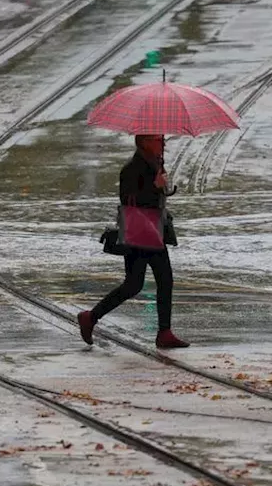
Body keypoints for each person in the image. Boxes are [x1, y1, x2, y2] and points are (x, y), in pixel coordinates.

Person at [78, 134, 190, 350]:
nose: (163, 143)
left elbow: (155, 197)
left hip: (151, 232)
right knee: (153, 281)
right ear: (144, 142)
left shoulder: (154, 164)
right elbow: (129, 201)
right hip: (140, 234)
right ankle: (162, 332)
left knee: (138, 284)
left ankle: (91, 317)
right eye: (158, 140)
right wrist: (155, 186)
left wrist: (162, 185)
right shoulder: (132, 168)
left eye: (163, 140)